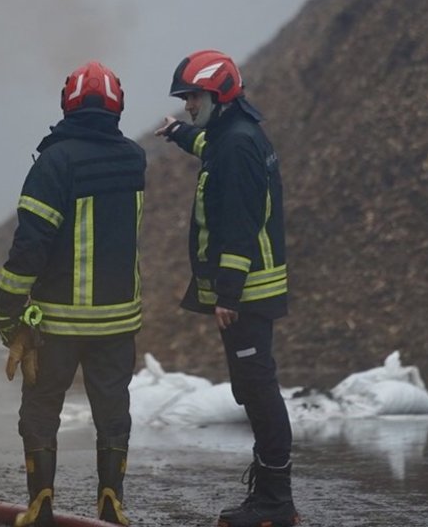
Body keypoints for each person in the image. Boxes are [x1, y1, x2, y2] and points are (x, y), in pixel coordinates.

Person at [0, 60, 147, 527]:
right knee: (112, 410)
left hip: (57, 323)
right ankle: (111, 501)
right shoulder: (134, 159)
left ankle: (40, 506)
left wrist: (7, 316)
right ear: (118, 105)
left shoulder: (56, 163)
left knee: (41, 409)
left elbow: (30, 246)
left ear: (68, 104)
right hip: (118, 322)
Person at [155, 50, 297, 527]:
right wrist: (178, 134)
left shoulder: (236, 144)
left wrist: (228, 293)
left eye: (193, 97)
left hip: (248, 290)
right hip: (251, 287)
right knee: (252, 387)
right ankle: (271, 497)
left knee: (258, 390)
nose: (189, 105)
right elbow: (208, 148)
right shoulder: (233, 134)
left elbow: (238, 222)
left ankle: (275, 503)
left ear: (218, 94)